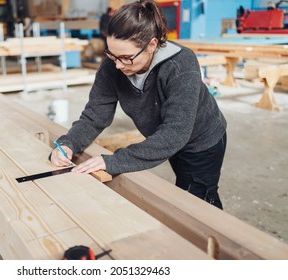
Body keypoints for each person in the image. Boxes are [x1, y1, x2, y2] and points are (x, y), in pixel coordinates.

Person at [50, 0, 227, 209]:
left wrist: (112, 161)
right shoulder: (113, 66)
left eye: (126, 58)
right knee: (183, 194)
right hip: (164, 136)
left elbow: (176, 132)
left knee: (197, 202)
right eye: (112, 55)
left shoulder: (181, 64)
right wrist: (69, 144)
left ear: (152, 45)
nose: (117, 65)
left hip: (201, 141)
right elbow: (95, 116)